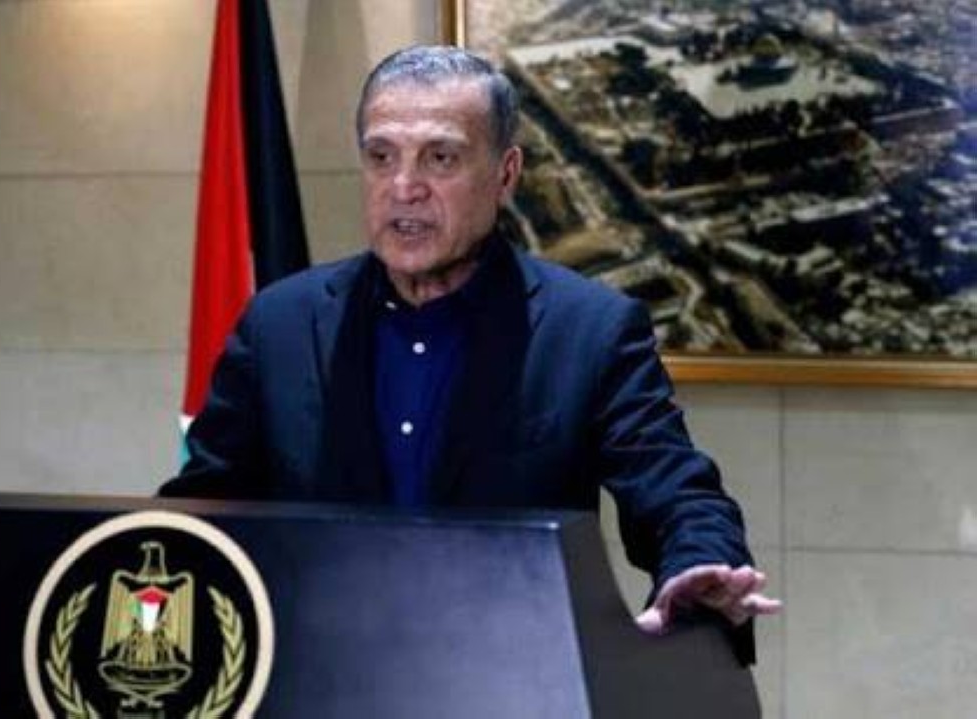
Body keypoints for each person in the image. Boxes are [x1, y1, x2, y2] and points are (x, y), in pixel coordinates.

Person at [161, 45, 779, 661]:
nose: (404, 188)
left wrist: (698, 567)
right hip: (317, 675)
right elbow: (201, 511)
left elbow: (677, 492)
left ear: (505, 175)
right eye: (381, 157)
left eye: (441, 158)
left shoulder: (589, 330)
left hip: (513, 681)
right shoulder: (279, 325)